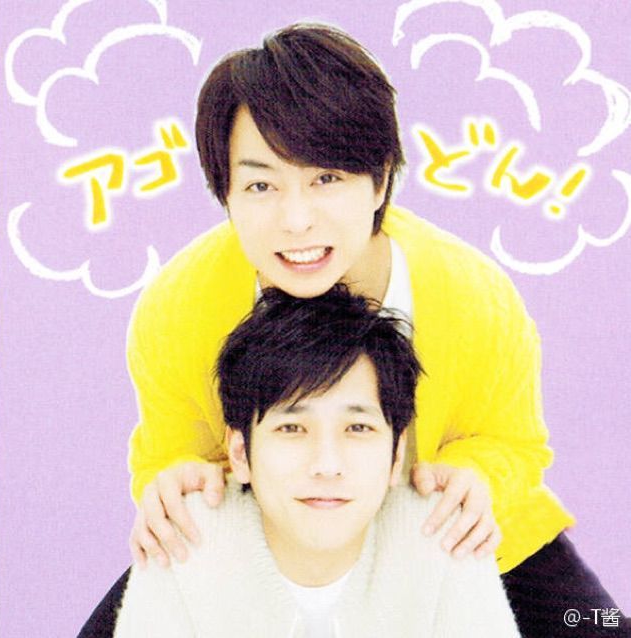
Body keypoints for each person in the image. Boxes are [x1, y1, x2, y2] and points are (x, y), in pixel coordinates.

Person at [125, 22, 629, 637]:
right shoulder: (177, 310)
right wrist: (178, 481)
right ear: (224, 193)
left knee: (601, 628)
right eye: (260, 184)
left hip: (459, 537)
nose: (296, 220)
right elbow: (170, 453)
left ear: (382, 180)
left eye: (327, 179)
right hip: (280, 540)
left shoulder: (475, 298)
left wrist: (476, 477)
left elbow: (515, 443)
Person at [115, 286, 520, 637]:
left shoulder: (444, 534)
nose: (327, 465)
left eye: (357, 428)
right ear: (239, 453)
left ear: (397, 455)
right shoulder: (185, 536)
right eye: (292, 428)